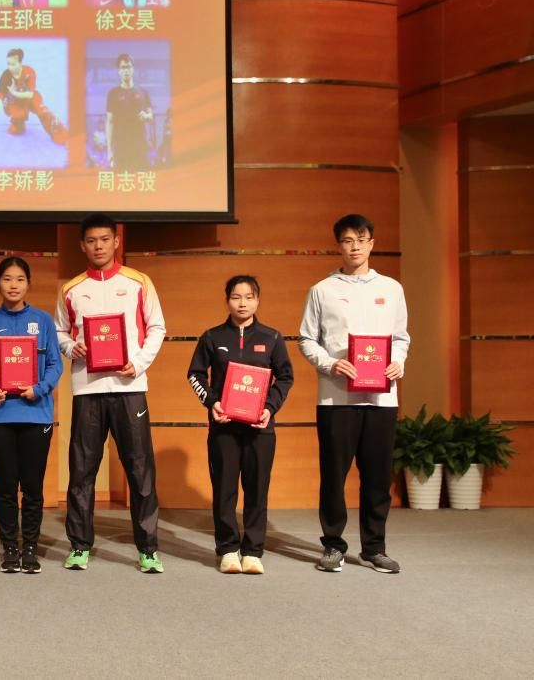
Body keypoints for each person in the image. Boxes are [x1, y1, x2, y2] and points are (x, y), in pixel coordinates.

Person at [55, 214, 166, 573]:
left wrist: (139, 363)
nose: (99, 246)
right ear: (82, 245)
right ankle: (79, 546)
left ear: (116, 241)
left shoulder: (138, 282)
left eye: (105, 239)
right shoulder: (71, 289)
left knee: (140, 469)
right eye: (91, 241)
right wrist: (71, 347)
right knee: (82, 470)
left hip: (129, 388)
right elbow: (59, 332)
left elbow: (157, 327)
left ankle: (148, 549)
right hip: (87, 389)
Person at [300, 214, 410, 574]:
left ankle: (374, 548)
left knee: (377, 477)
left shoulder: (391, 289)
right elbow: (306, 339)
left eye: (361, 240)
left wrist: (397, 362)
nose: (355, 247)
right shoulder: (322, 289)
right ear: (339, 245)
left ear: (372, 243)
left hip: (382, 399)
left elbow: (400, 337)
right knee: (334, 475)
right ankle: (333, 545)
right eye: (348, 240)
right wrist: (331, 364)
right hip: (336, 399)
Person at [186, 275, 294, 574]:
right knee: (224, 490)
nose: (242, 303)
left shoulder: (272, 338)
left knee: (257, 489)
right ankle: (228, 550)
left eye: (249, 297)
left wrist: (270, 407)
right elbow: (195, 374)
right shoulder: (212, 337)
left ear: (257, 300)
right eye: (236, 297)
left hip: (260, 429)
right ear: (227, 301)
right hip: (224, 427)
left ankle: (253, 551)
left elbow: (285, 377)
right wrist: (212, 403)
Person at [0, 257, 62, 574]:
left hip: (36, 416)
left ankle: (31, 547)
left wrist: (40, 388)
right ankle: (10, 547)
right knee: (6, 487)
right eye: (7, 279)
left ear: (28, 284)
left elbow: (55, 364)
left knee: (33, 488)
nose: (13, 285)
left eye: (20, 279)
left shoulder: (43, 321)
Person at [0, 47, 66, 143]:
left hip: (30, 98)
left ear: (20, 63)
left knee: (43, 111)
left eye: (13, 64)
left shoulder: (29, 71)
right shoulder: (5, 76)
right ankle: (18, 123)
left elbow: (30, 95)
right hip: (14, 101)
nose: (10, 67)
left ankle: (62, 135)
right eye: (8, 64)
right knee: (16, 129)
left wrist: (14, 92)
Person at [105, 52, 154, 171]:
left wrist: (146, 116)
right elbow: (110, 122)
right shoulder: (113, 94)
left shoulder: (143, 92)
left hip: (140, 146)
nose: (126, 70)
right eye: (123, 67)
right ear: (119, 71)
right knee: (123, 180)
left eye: (128, 67)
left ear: (133, 69)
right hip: (121, 147)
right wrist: (109, 150)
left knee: (142, 179)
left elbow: (151, 116)